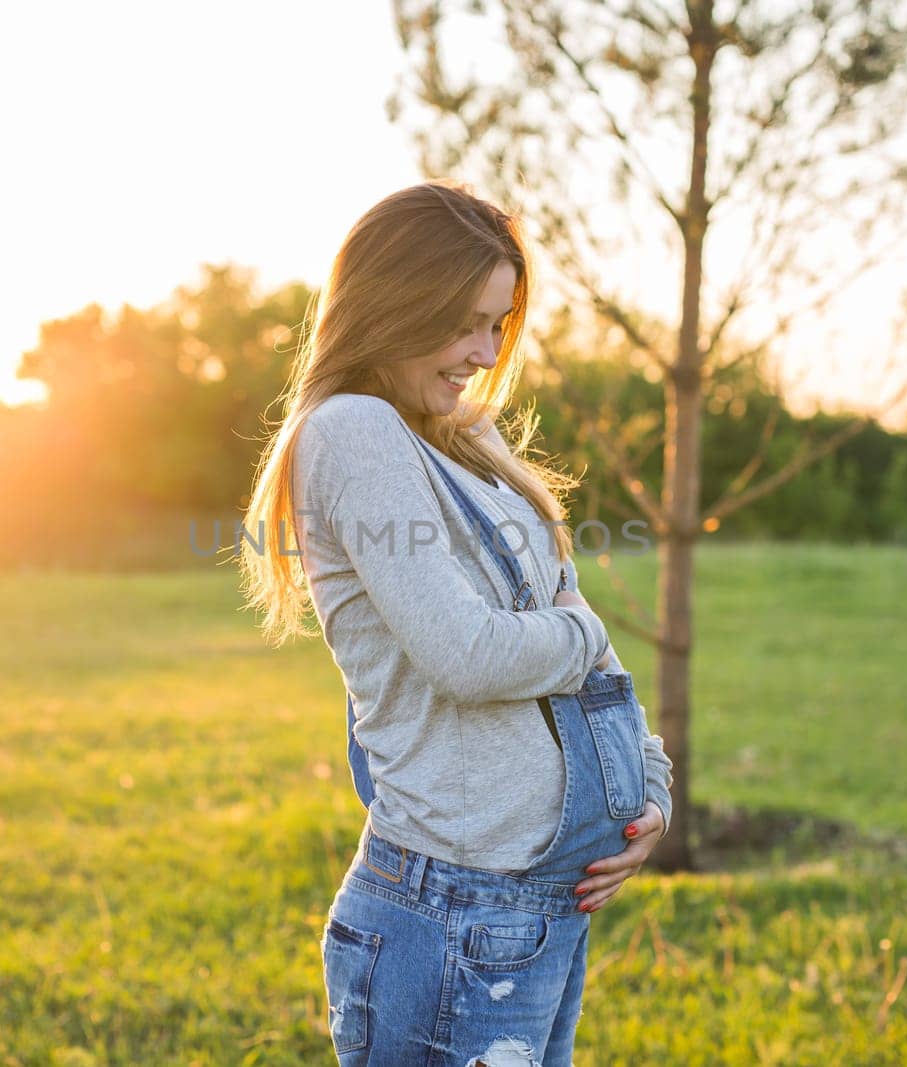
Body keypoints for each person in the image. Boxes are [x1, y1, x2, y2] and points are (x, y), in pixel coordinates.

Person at [239, 180, 673, 1066]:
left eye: (498, 325)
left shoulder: (462, 433)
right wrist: (578, 629)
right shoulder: (354, 430)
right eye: (467, 322)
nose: (483, 351)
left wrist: (650, 787)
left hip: (536, 907)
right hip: (454, 908)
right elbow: (470, 656)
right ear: (397, 304)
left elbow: (564, 611)